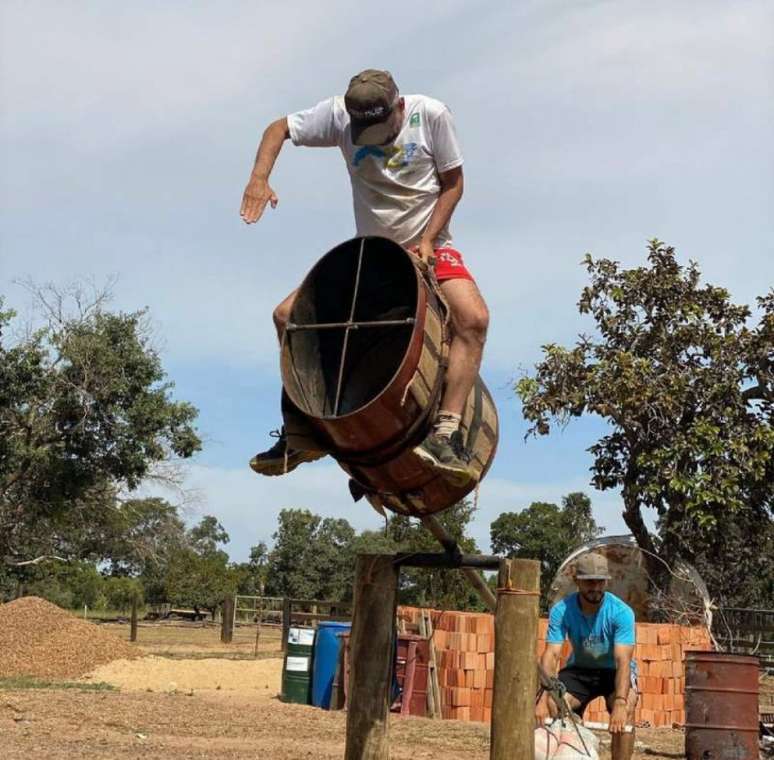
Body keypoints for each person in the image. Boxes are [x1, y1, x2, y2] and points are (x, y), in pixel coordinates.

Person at [240, 69, 489, 486]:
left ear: (400, 107)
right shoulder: (338, 116)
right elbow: (278, 127)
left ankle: (445, 433)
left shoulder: (431, 116)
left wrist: (428, 239)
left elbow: (453, 184)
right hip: (372, 253)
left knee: (474, 319)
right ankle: (303, 434)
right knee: (287, 316)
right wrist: (259, 178)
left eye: (380, 127)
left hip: (429, 244)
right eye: (364, 130)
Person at [535, 552, 638, 760]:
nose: (596, 588)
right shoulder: (561, 610)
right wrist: (542, 698)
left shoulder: (621, 612)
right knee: (555, 703)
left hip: (614, 671)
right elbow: (551, 654)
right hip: (580, 669)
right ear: (577, 581)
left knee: (626, 709)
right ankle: (577, 744)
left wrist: (619, 701)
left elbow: (623, 660)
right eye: (589, 582)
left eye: (600, 582)